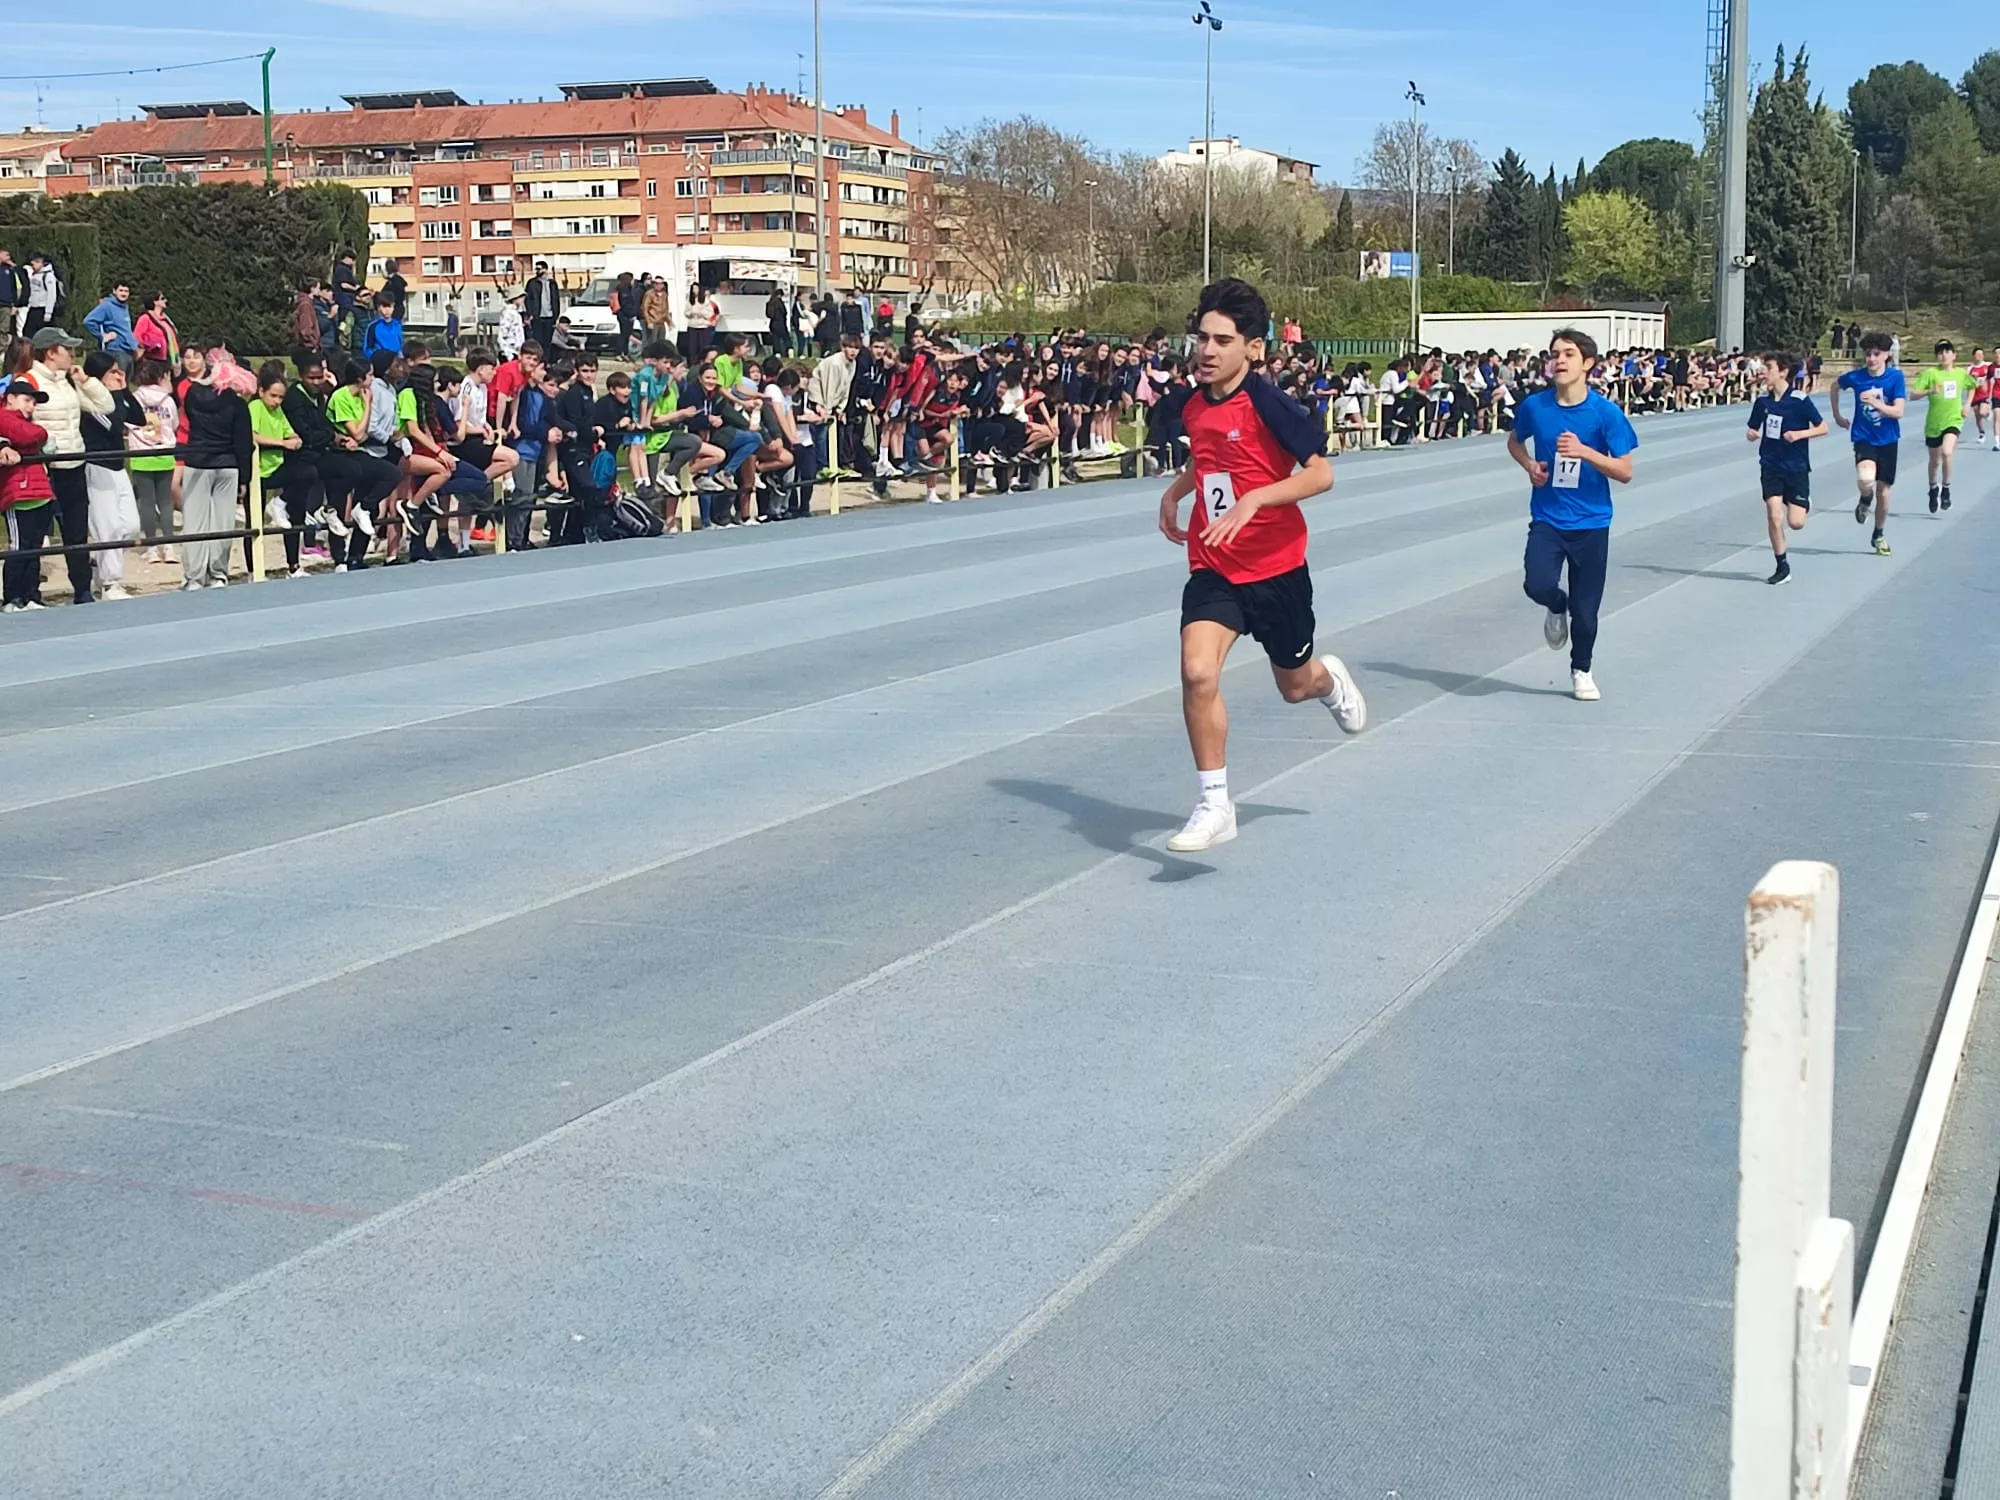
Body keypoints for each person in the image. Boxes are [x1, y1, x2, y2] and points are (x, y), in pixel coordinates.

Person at [1151, 278, 1365, 855]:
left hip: (1276, 568)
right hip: (1215, 564)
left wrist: (1256, 500)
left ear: (1253, 348)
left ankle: (1329, 680)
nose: (1207, 350)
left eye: (1223, 340)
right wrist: (1178, 490)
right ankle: (1215, 801)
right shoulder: (1195, 403)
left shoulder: (1271, 402)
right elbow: (1211, 456)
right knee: (1197, 671)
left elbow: (1321, 473)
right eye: (1202, 337)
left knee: (1294, 686)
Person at [1507, 326, 1639, 702]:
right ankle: (1555, 604)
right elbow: (1514, 441)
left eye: (1568, 354)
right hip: (1548, 517)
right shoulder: (1536, 406)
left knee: (1587, 611)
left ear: (1588, 364)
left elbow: (1626, 471)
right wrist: (1530, 466)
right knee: (1536, 583)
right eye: (1554, 354)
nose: (1559, 360)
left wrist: (1586, 452)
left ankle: (1581, 669)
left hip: (1592, 522)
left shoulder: (1605, 413)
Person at [20, 327, 95, 604]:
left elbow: (104, 406)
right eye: (67, 349)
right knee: (36, 533)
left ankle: (83, 589)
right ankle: (29, 593)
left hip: (74, 463)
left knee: (76, 531)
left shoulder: (69, 381)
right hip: (45, 468)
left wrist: (86, 382)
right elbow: (16, 421)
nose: (73, 354)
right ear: (51, 352)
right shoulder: (28, 380)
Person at [1743, 352, 1826, 586]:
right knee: (1773, 514)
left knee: (1796, 523)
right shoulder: (1762, 402)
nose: (1763, 372)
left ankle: (1802, 500)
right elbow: (1752, 428)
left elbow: (1823, 427)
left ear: (1783, 372)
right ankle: (1782, 565)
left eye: (1768, 368)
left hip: (1796, 467)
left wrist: (1800, 434)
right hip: (1770, 465)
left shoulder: (1799, 401)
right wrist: (1752, 434)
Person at [179, 346, 252, 590]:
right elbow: (244, 442)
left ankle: (194, 577)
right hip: (228, 464)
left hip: (197, 460)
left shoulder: (192, 395)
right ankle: (218, 573)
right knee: (223, 522)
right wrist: (245, 476)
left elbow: (189, 420)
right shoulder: (237, 403)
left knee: (194, 522)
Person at [1830, 331, 1906, 557]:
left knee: (1884, 491)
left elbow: (1898, 411)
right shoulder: (1856, 377)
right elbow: (1835, 386)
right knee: (1865, 479)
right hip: (1864, 437)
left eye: (1876, 354)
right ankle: (1865, 498)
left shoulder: (1895, 378)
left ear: (1886, 355)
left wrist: (1875, 402)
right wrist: (1836, 415)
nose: (1871, 358)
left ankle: (1878, 534)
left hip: (1888, 439)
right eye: (1868, 354)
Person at [0, 378, 56, 609]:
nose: (31, 407)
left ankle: (31, 594)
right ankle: (12, 596)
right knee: (19, 546)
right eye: (27, 400)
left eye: (33, 402)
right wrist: (40, 433)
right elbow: (25, 435)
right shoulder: (4, 416)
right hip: (17, 492)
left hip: (38, 490)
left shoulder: (24, 421)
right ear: (10, 399)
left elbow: (27, 436)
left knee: (33, 547)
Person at [128, 357, 178, 561]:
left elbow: (128, 422)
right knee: (165, 502)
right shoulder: (167, 400)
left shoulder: (134, 399)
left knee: (147, 502)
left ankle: (150, 548)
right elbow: (173, 423)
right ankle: (169, 546)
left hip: (141, 453)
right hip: (164, 451)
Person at [1907, 339, 1966, 514]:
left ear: (1954, 355)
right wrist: (1928, 391)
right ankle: (1933, 488)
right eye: (1940, 352)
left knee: (1947, 452)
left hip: (1953, 421)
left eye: (1947, 351)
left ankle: (1946, 489)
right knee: (1934, 461)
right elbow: (1913, 395)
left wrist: (1968, 404)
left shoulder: (1961, 374)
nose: (1944, 355)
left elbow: (1974, 386)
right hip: (1933, 424)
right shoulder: (1930, 373)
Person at [84, 282, 137, 372]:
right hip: (115, 351)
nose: (123, 294)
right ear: (114, 291)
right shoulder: (106, 306)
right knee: (117, 383)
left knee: (125, 384)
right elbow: (88, 321)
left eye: (126, 291)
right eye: (121, 290)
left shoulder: (124, 307)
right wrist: (102, 336)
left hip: (128, 351)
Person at [133, 292, 179, 367]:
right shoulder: (145, 318)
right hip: (151, 359)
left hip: (166, 359)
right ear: (155, 301)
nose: (165, 301)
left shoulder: (165, 319)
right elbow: (136, 337)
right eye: (162, 299)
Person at [524, 261, 561, 350]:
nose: (537, 271)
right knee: (538, 340)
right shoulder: (532, 283)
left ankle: (547, 361)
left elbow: (556, 299)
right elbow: (528, 299)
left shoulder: (552, 283)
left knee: (548, 341)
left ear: (545, 269)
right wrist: (530, 314)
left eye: (539, 269)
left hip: (550, 316)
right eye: (536, 269)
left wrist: (556, 315)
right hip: (537, 317)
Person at [22, 253, 60, 339]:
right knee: (28, 333)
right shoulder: (35, 275)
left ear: (41, 263)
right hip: (33, 308)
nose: (33, 266)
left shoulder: (48, 276)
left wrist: (48, 312)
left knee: (44, 335)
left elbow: (51, 295)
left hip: (42, 309)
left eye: (34, 264)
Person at [361, 295, 404, 360]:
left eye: (389, 306)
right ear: (379, 307)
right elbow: (367, 349)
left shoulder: (397, 324)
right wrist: (377, 360)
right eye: (384, 307)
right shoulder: (373, 326)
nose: (387, 310)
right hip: (381, 363)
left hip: (396, 362)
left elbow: (400, 344)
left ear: (393, 307)